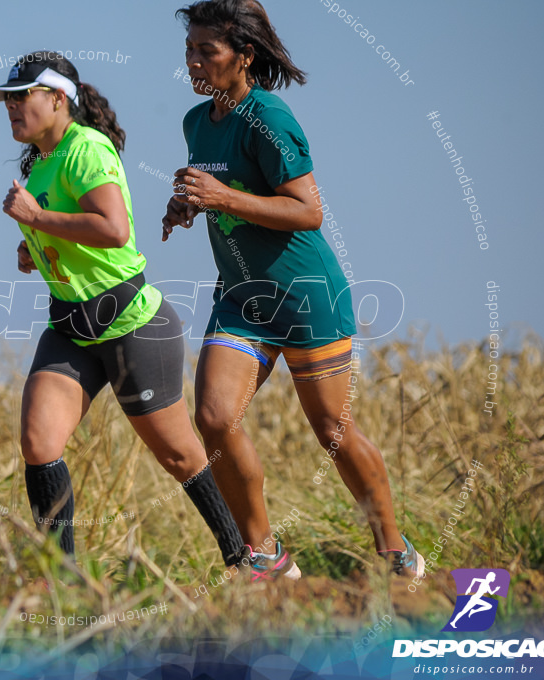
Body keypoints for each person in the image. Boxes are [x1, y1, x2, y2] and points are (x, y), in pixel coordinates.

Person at [162, 0, 424, 581]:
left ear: (244, 56)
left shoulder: (269, 118)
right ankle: (267, 557)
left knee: (332, 431)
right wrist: (187, 204)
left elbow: (308, 212)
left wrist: (223, 198)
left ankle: (395, 551)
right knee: (213, 417)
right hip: (241, 299)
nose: (194, 61)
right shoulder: (195, 122)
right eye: (189, 50)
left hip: (306, 296)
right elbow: (220, 190)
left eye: (208, 50)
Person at [0, 51, 244, 568]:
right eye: (7, 100)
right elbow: (62, 228)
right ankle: (63, 580)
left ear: (58, 99)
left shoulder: (87, 148)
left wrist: (37, 217)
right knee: (39, 442)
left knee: (178, 455)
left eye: (22, 97)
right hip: (71, 328)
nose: (11, 107)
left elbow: (114, 228)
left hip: (130, 326)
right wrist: (34, 245)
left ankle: (244, 559)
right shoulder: (40, 163)